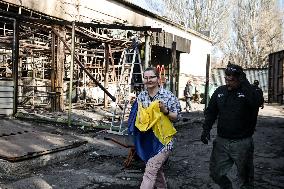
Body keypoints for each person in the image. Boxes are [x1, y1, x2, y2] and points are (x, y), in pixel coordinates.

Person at [200, 63, 263, 189]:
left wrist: (245, 84)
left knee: (245, 179)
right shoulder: (220, 92)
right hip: (222, 141)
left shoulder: (251, 91)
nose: (228, 83)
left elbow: (256, 102)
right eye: (226, 79)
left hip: (242, 143)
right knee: (215, 173)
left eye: (232, 80)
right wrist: (206, 130)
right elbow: (211, 112)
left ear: (240, 78)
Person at [129, 67, 181, 189]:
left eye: (151, 77)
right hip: (147, 141)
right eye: (146, 78)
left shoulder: (168, 96)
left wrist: (165, 111)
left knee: (150, 171)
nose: (148, 80)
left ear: (158, 79)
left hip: (163, 141)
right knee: (157, 171)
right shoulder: (141, 96)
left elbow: (177, 117)